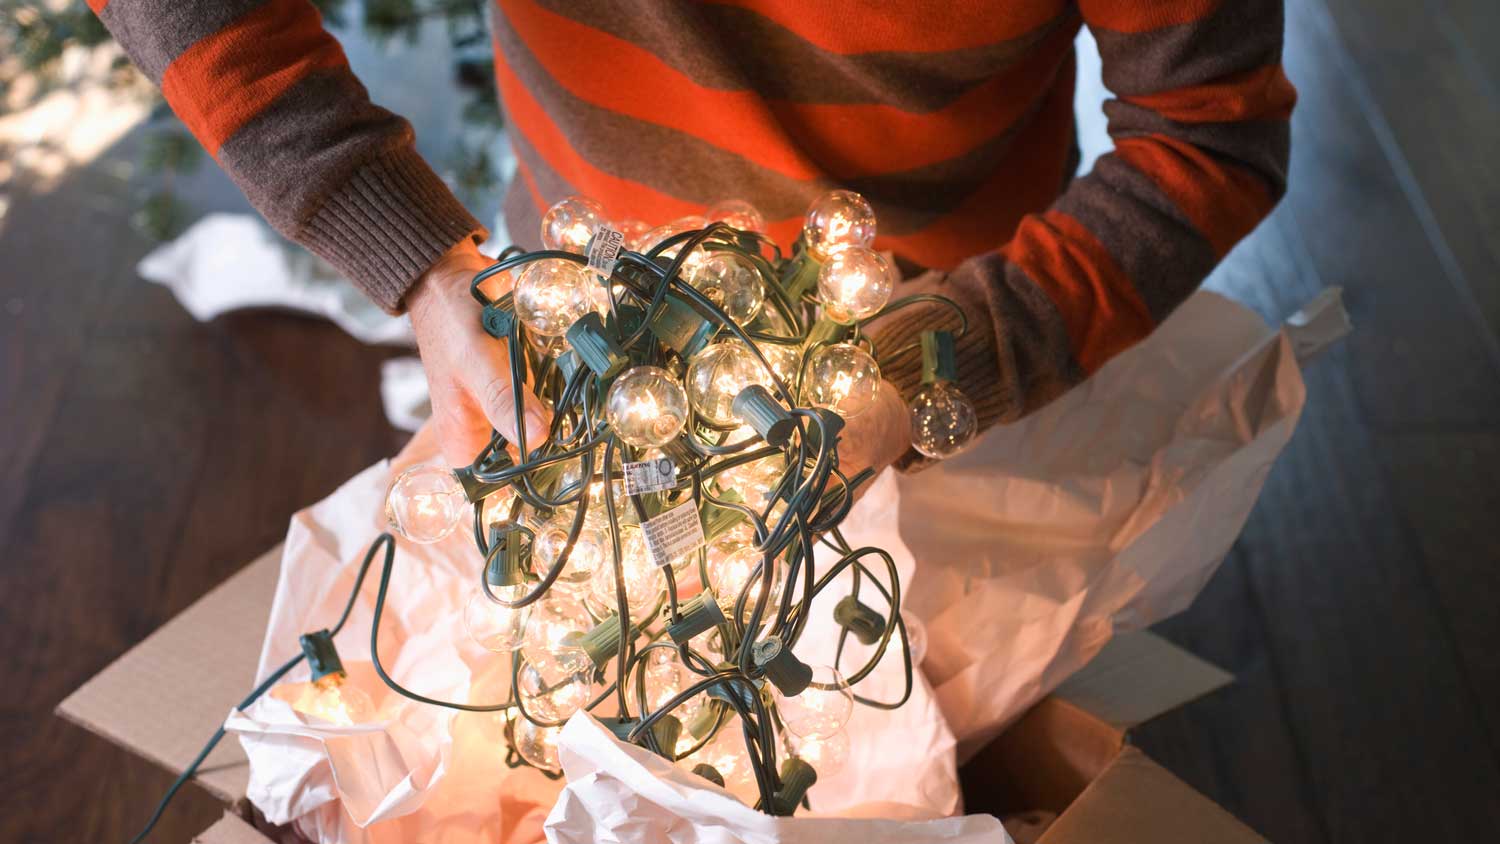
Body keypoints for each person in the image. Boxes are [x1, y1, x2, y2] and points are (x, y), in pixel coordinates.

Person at [89, 0, 1295, 479]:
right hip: (562, 331)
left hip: (962, 377)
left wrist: (940, 363)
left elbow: (1209, 135)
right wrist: (413, 254)